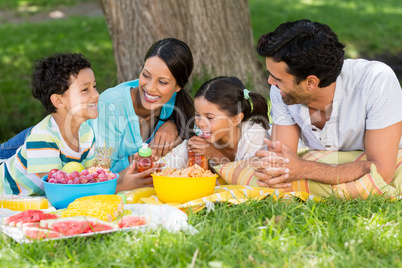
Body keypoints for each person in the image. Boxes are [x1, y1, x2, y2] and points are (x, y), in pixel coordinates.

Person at [252, 19, 402, 188]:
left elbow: (381, 172)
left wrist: (304, 168)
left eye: (277, 78)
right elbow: (282, 162)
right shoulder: (282, 91)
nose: (270, 81)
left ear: (310, 82)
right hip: (332, 161)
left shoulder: (376, 81)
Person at [89, 38, 195, 192]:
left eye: (162, 82)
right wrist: (139, 159)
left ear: (178, 86)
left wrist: (174, 125)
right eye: (146, 75)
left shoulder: (174, 102)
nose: (150, 87)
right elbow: (100, 173)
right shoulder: (111, 105)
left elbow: (198, 135)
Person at [0, 53, 99, 195]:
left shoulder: (87, 133)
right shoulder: (43, 138)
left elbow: (94, 179)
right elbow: (58, 193)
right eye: (85, 89)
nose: (96, 94)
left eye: (94, 86)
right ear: (58, 101)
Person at [158, 76, 270, 168]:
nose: (201, 123)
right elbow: (166, 165)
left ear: (236, 119)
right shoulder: (201, 137)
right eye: (197, 115)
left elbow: (252, 178)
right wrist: (151, 165)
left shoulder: (255, 135)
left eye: (210, 117)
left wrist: (215, 155)